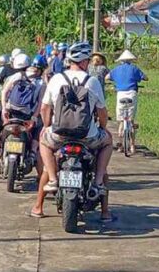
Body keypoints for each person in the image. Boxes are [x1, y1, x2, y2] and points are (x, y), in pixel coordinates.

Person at [30, 42, 114, 222]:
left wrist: (46, 125)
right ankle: (102, 199)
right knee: (108, 142)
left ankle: (44, 196)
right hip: (87, 136)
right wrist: (103, 127)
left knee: (44, 143)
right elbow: (102, 112)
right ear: (85, 62)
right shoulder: (92, 81)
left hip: (59, 136)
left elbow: (45, 108)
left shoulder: (56, 79)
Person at [0, 54, 33, 174]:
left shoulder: (11, 76)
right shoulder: (35, 79)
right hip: (27, 115)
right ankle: (43, 174)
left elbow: (1, 93)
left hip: (10, 112)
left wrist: (4, 108)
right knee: (37, 141)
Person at [106, 50, 148, 154]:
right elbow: (145, 78)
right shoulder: (134, 69)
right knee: (131, 121)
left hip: (121, 94)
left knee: (121, 121)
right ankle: (132, 146)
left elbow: (107, 77)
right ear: (131, 60)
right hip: (132, 94)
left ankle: (120, 146)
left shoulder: (116, 69)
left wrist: (115, 81)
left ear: (121, 61)